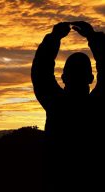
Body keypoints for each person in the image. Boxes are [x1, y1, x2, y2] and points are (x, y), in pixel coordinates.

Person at [32, 21, 105, 191]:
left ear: (63, 78)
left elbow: (41, 73)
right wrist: (94, 38)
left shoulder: (56, 105)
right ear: (91, 79)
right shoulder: (98, 107)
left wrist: (54, 38)